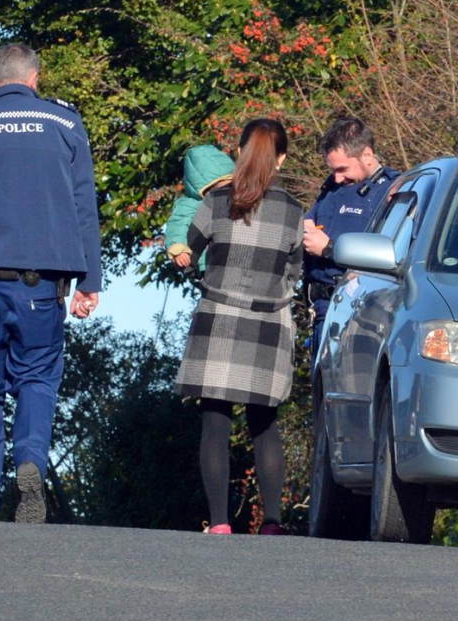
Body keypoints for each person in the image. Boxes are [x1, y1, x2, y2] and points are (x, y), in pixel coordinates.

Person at [0, 43, 101, 522]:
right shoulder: (66, 124)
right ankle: (29, 461)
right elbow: (82, 209)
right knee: (37, 379)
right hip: (42, 287)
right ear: (35, 78)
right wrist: (89, 281)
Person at [173, 119, 303, 535]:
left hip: (218, 320)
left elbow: (190, 249)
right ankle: (272, 522)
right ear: (280, 159)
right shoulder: (293, 211)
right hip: (268, 323)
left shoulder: (217, 203)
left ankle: (221, 523)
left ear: (241, 152)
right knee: (264, 424)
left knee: (215, 423)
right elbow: (295, 271)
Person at [303, 117, 400, 363]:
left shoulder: (394, 192)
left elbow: (392, 258)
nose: (337, 178)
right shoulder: (331, 189)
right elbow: (308, 226)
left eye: (342, 169)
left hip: (361, 315)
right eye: (333, 170)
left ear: (367, 154)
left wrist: (329, 249)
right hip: (323, 311)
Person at [165, 144, 234, 274]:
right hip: (207, 262)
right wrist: (178, 249)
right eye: (217, 186)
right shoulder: (189, 204)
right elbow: (177, 224)